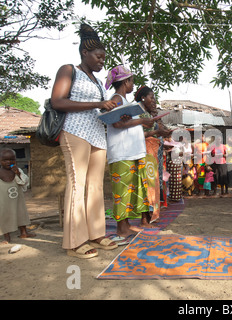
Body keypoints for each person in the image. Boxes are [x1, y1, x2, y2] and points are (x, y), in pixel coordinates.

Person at [51, 24, 118, 258]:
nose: (102, 62)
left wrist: (113, 111)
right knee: (78, 186)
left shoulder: (98, 82)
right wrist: (99, 104)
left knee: (96, 187)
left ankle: (96, 234)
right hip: (75, 133)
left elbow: (99, 110)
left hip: (98, 135)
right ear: (84, 53)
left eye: (104, 59)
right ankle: (74, 242)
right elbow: (57, 102)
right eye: (98, 57)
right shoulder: (69, 70)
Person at [105, 66, 155, 237]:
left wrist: (141, 122)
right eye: (132, 81)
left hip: (130, 152)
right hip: (122, 153)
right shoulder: (116, 99)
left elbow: (123, 123)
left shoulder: (125, 102)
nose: (133, 84)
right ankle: (121, 228)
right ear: (126, 82)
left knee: (130, 190)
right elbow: (117, 124)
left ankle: (125, 225)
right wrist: (142, 121)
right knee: (122, 190)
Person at [135, 86, 172, 222]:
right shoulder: (139, 114)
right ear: (143, 98)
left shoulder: (149, 114)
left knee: (153, 183)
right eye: (151, 97)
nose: (154, 101)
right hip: (145, 151)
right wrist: (156, 133)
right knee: (147, 184)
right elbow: (138, 133)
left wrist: (163, 132)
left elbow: (158, 130)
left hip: (154, 153)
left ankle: (151, 215)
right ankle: (145, 218)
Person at [0, 149, 35, 244]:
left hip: (17, 199)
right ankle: (6, 236)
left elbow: (24, 182)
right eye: (5, 160)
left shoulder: (17, 170)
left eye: (12, 159)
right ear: (0, 160)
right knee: (4, 216)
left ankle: (24, 232)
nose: (9, 162)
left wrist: (18, 173)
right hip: (3, 200)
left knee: (21, 213)